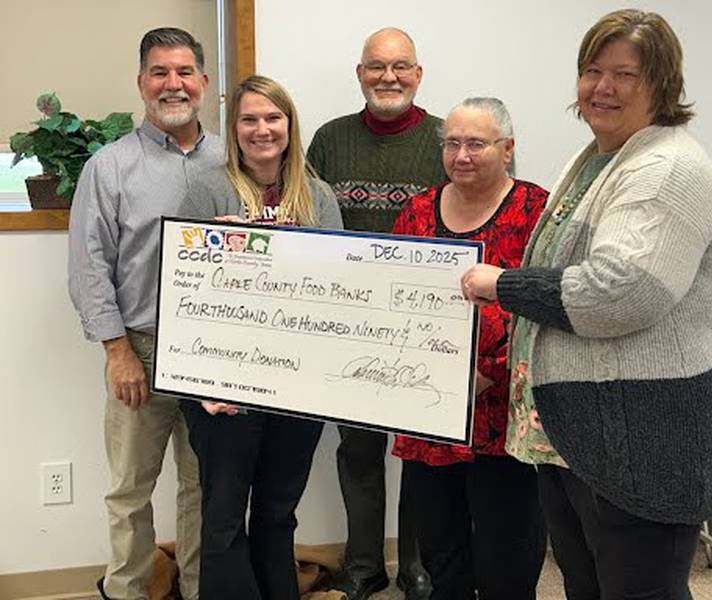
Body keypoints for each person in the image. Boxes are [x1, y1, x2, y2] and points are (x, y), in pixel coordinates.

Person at [461, 9, 712, 600]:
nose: (603, 87)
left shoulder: (668, 169)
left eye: (625, 74)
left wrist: (505, 284)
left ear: (662, 84)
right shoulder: (594, 158)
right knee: (587, 584)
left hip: (647, 434)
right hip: (582, 433)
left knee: (640, 589)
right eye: (592, 70)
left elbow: (622, 291)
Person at [68, 27, 223, 600]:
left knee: (205, 487)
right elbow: (88, 266)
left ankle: (201, 589)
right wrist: (117, 352)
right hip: (142, 347)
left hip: (216, 352)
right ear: (141, 84)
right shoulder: (109, 168)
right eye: (159, 73)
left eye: (184, 72)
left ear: (203, 81)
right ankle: (128, 590)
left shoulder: (231, 159)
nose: (172, 84)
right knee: (130, 490)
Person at [178, 74, 343, 600]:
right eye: (249, 119)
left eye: (273, 118)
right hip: (225, 384)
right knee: (224, 514)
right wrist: (217, 250)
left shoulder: (318, 197)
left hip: (297, 384)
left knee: (277, 511)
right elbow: (183, 291)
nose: (261, 129)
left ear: (290, 126)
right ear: (234, 129)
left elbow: (340, 290)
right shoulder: (207, 190)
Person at [306, 26, 444, 600]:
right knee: (358, 451)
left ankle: (417, 566)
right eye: (377, 66)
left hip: (424, 327)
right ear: (360, 74)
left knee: (421, 455)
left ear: (418, 74)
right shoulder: (329, 140)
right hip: (350, 327)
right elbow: (307, 220)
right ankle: (364, 565)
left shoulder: (446, 139)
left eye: (401, 66)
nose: (389, 77)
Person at [392, 97, 548, 600]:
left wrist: (488, 373)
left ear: (508, 149)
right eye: (452, 143)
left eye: (476, 144)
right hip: (430, 415)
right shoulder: (417, 211)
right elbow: (394, 300)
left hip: (504, 418)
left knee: (509, 556)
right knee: (442, 554)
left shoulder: (537, 213)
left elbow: (546, 308)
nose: (461, 155)